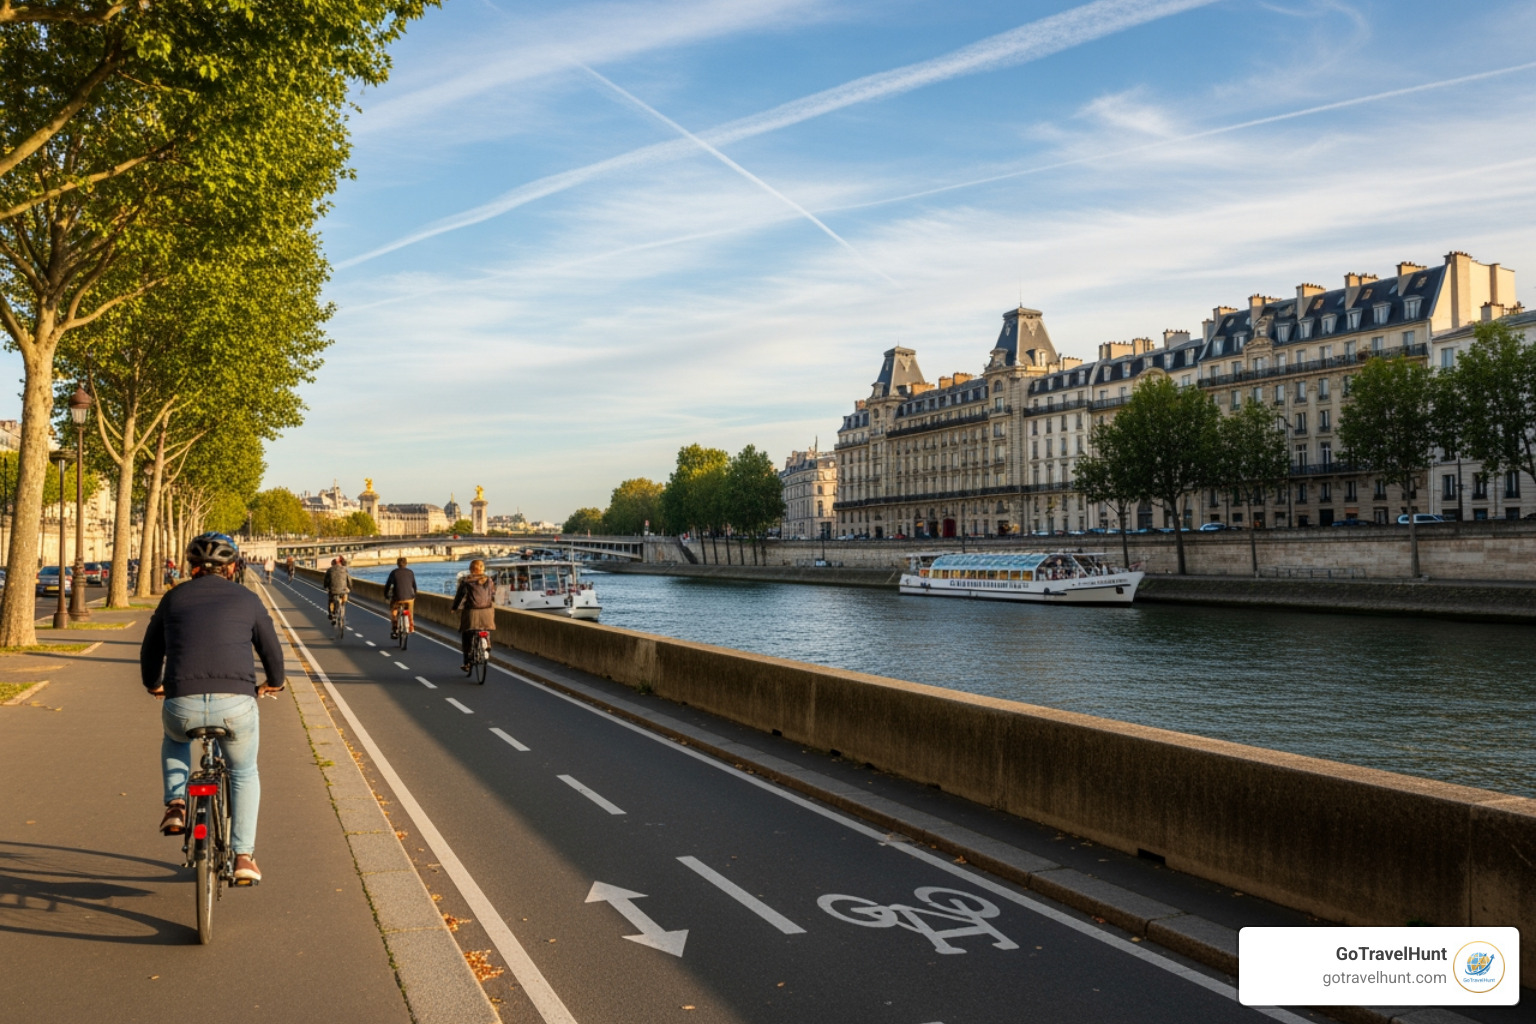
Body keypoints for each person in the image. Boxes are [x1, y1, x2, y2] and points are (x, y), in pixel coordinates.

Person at [141, 532, 284, 884]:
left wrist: (154, 684)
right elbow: (271, 650)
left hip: (182, 700)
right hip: (236, 703)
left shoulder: (172, 599)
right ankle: (243, 857)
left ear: (192, 569)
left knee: (175, 739)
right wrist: (274, 681)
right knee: (244, 772)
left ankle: (175, 805)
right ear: (233, 567)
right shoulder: (248, 599)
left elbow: (150, 649)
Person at [451, 559, 496, 672]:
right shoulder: (489, 580)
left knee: (466, 634)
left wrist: (454, 608)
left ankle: (467, 663)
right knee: (485, 628)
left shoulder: (466, 581)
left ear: (471, 569)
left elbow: (460, 596)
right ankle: (488, 644)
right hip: (487, 613)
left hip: (472, 613)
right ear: (482, 569)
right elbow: (493, 594)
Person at [383, 556, 418, 639]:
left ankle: (395, 629)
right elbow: (414, 586)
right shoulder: (411, 572)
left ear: (397, 564)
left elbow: (388, 585)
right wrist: (414, 595)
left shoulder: (394, 572)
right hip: (409, 597)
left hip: (397, 598)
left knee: (394, 611)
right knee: (410, 612)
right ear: (406, 564)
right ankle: (411, 627)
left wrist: (386, 595)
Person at [324, 556, 350, 623]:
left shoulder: (329, 570)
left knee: (331, 601)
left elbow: (326, 581)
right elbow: (349, 580)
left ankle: (331, 614)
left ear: (332, 564)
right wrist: (350, 587)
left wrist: (326, 587)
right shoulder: (344, 569)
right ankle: (342, 613)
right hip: (343, 590)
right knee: (344, 599)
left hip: (333, 590)